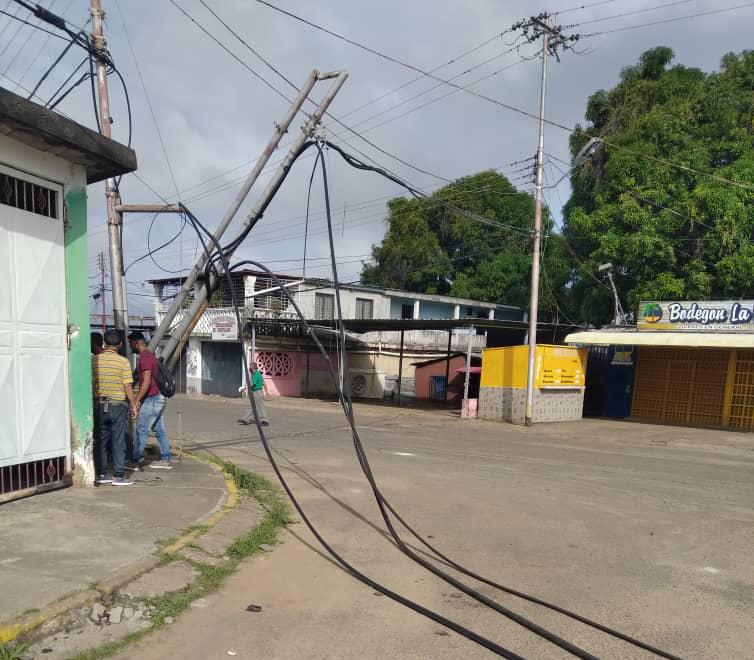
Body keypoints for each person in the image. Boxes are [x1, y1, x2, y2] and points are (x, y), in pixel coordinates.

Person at [92, 329, 138, 486]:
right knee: (118, 441)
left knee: (100, 440)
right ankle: (118, 475)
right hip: (118, 405)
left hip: (99, 405)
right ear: (120, 344)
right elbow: (127, 386)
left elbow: (92, 384)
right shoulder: (123, 362)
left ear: (104, 343)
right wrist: (133, 405)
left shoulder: (95, 360)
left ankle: (102, 473)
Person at [128, 331, 172, 470]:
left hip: (153, 398)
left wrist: (136, 399)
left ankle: (135, 460)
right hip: (157, 397)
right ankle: (165, 459)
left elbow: (146, 382)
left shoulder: (145, 358)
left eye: (130, 344)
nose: (130, 347)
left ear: (136, 343)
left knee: (141, 430)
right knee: (159, 429)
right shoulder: (149, 356)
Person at [238, 362, 269, 426]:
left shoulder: (255, 375)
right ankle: (246, 419)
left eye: (250, 367)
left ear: (252, 368)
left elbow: (253, 384)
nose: (249, 368)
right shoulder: (258, 374)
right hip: (257, 392)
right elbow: (264, 383)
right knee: (252, 406)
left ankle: (264, 420)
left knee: (259, 406)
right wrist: (266, 391)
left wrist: (245, 388)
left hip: (256, 392)